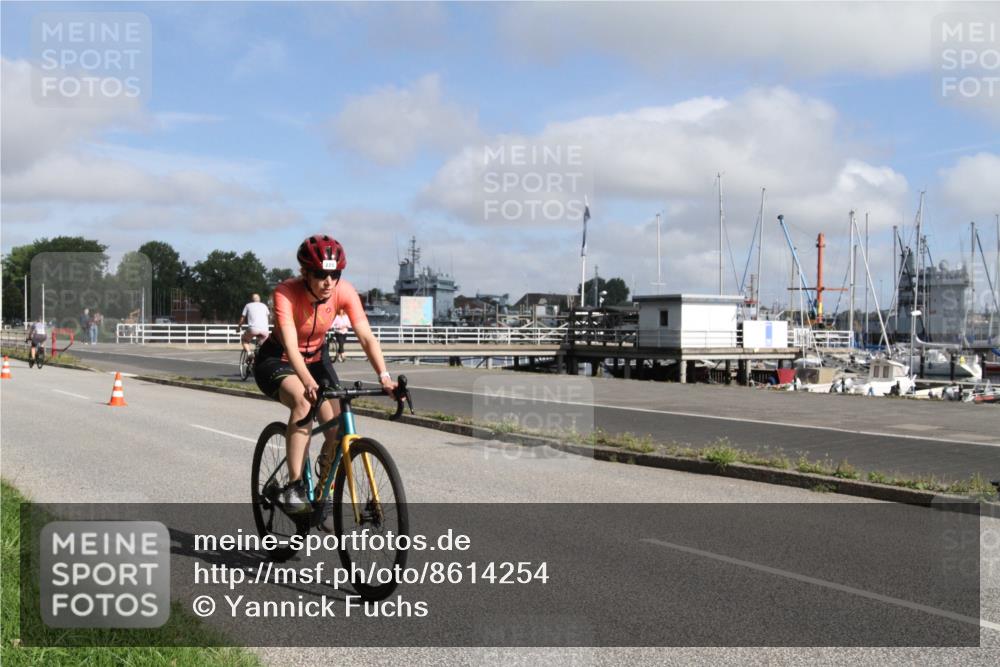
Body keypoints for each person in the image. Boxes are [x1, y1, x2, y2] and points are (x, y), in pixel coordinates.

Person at [254, 234, 395, 513]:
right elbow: (291, 346)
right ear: (304, 273)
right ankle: (293, 487)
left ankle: (323, 490)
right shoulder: (285, 292)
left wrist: (384, 376)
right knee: (303, 402)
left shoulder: (344, 291)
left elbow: (366, 337)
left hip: (317, 358)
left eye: (335, 274)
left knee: (336, 427)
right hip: (278, 359)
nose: (329, 281)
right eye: (320, 274)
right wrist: (307, 382)